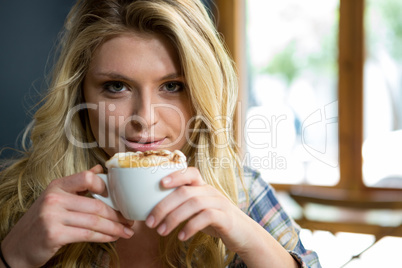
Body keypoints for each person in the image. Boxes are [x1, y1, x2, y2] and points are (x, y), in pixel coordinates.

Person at [0, 0, 321, 267]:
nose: (145, 119)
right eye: (116, 86)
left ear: (201, 94)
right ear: (79, 94)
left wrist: (252, 241)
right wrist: (11, 257)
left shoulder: (242, 192)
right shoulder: (19, 199)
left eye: (172, 86)